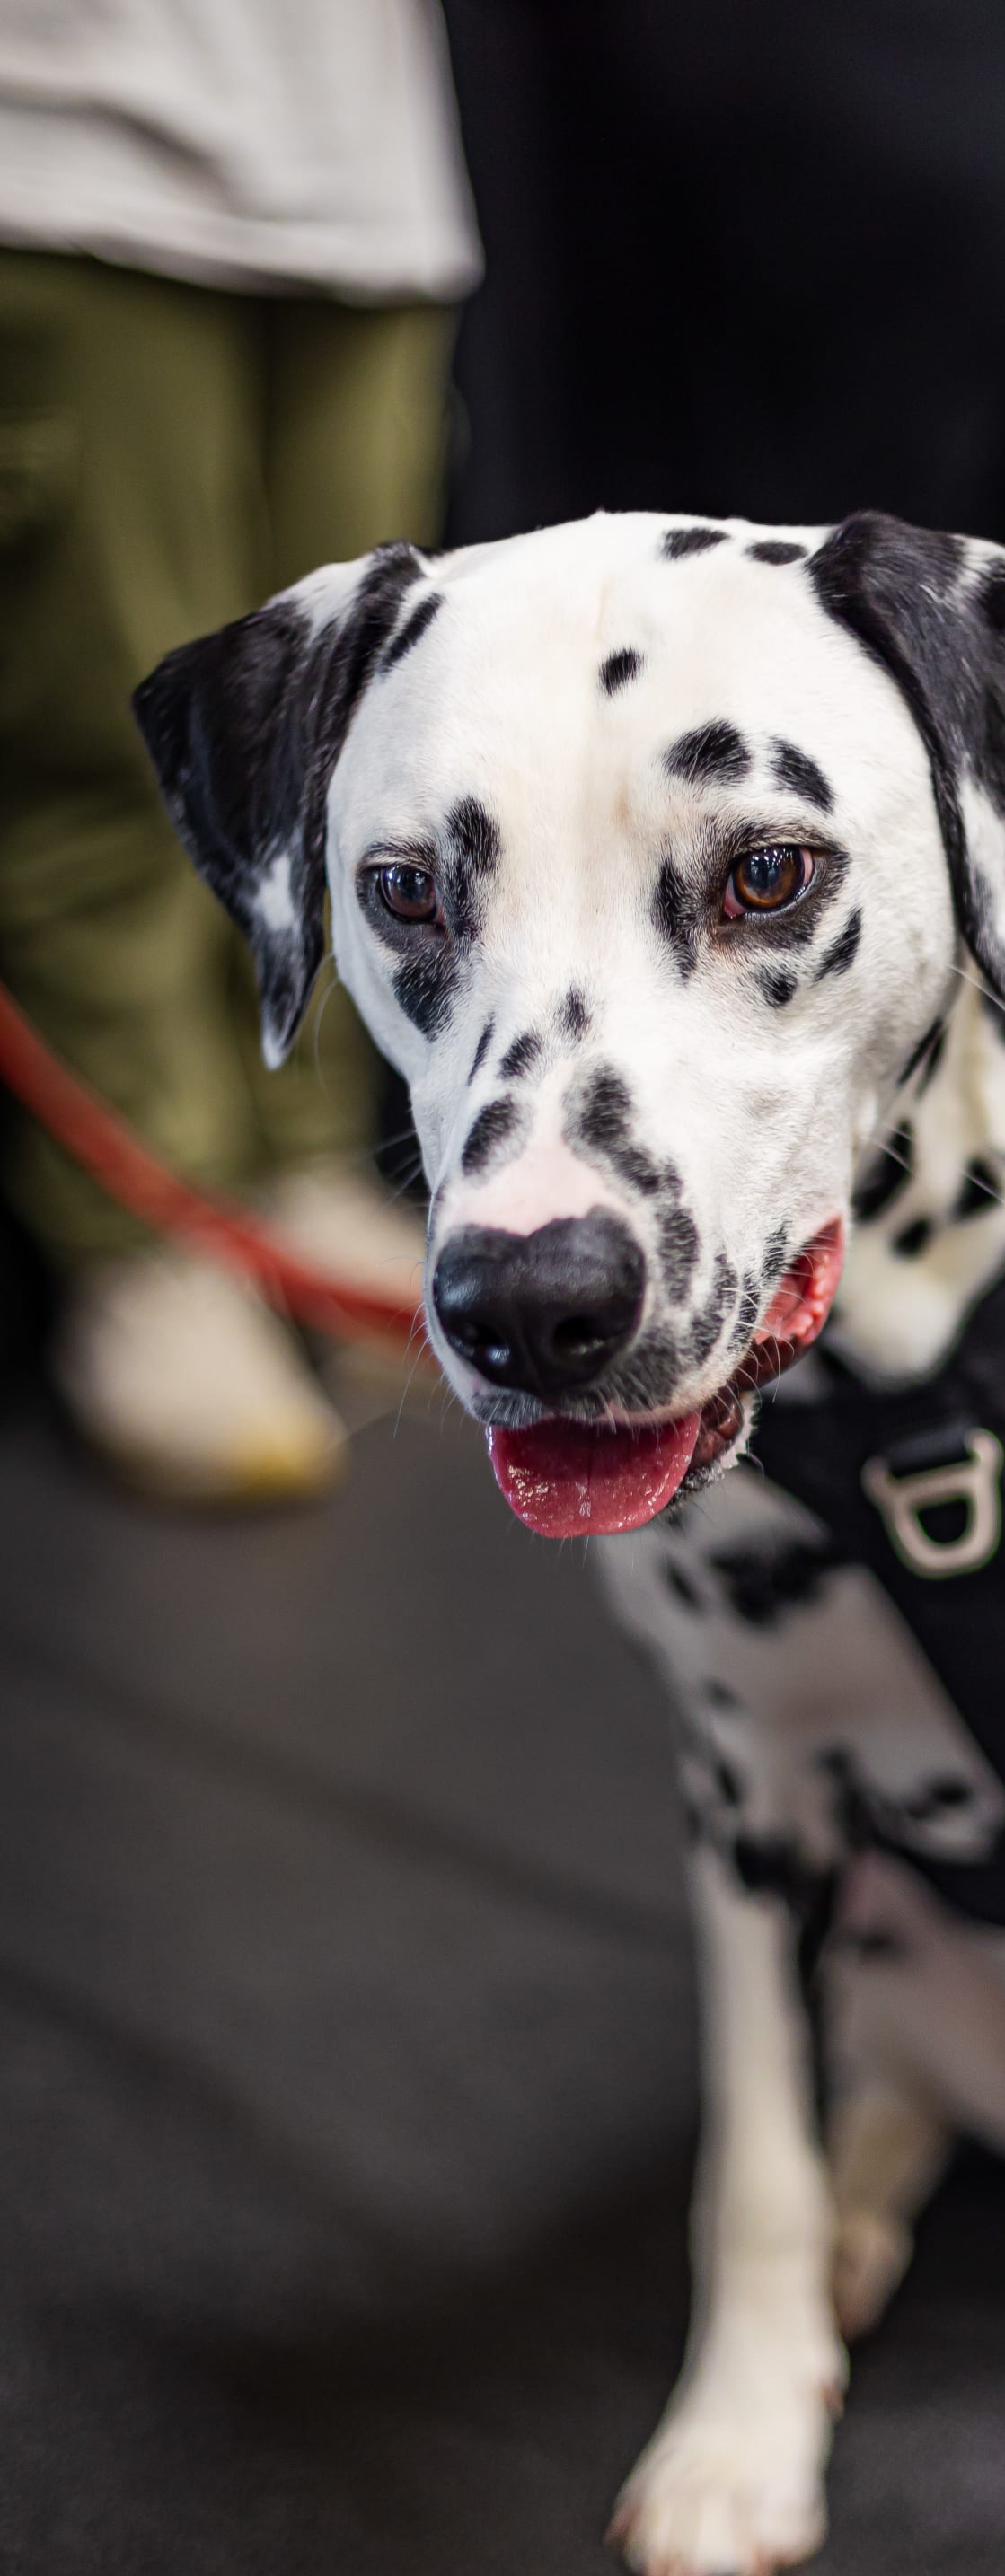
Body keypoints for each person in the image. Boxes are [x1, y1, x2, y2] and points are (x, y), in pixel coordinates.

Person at [0, 1, 479, 1502]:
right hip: (73, 155)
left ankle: (291, 1158)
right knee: (111, 744)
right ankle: (140, 1238)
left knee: (358, 746)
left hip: (370, 176)